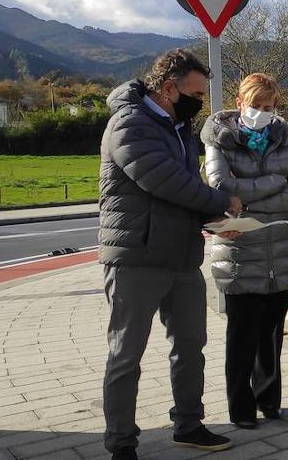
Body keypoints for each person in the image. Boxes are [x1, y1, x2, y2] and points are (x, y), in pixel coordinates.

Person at [98, 49, 244, 460]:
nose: (199, 103)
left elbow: (183, 189)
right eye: (195, 93)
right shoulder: (129, 123)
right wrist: (221, 201)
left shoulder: (176, 127)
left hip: (180, 256)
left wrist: (215, 218)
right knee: (126, 354)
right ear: (168, 88)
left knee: (190, 344)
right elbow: (165, 182)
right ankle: (122, 443)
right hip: (136, 257)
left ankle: (189, 424)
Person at [202, 73, 288, 429]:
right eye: (256, 105)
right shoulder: (220, 137)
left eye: (269, 106)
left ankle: (269, 398)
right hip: (239, 250)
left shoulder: (282, 136)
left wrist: (250, 197)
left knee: (272, 333)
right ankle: (240, 406)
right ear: (240, 102)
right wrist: (274, 185)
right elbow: (220, 184)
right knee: (242, 334)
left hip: (279, 248)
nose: (263, 113)